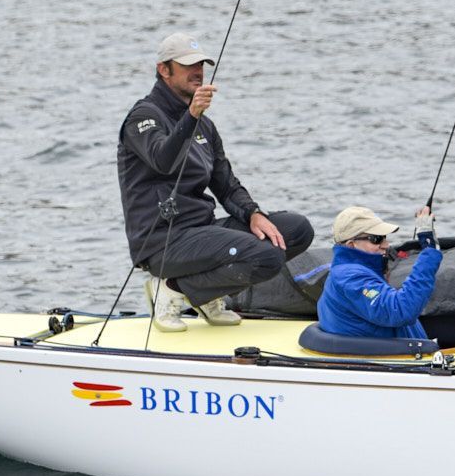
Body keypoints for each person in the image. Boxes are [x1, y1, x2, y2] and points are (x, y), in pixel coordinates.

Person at [117, 32, 314, 332]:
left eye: (201, 64)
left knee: (295, 230)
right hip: (162, 240)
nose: (197, 71)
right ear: (163, 69)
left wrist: (253, 214)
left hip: (202, 230)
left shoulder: (205, 126)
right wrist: (191, 116)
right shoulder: (143, 117)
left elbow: (225, 183)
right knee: (265, 258)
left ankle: (205, 293)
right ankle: (172, 288)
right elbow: (163, 159)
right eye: (187, 65)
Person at [317, 206, 442, 339]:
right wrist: (429, 251)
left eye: (384, 237)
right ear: (351, 245)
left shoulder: (350, 271)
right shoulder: (349, 277)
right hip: (391, 357)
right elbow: (401, 311)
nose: (386, 244)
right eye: (376, 239)